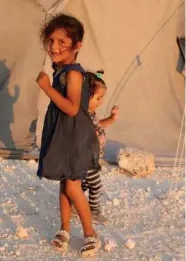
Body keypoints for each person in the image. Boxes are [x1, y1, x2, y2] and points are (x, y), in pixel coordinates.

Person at [36, 13, 101, 257]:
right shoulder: (62, 69)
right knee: (65, 182)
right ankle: (64, 228)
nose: (54, 47)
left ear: (77, 46)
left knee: (73, 186)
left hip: (74, 135)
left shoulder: (73, 73)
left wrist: (47, 88)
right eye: (51, 40)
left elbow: (72, 108)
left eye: (62, 42)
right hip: (64, 133)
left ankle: (90, 233)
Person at [71, 70, 119, 225]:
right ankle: (93, 211)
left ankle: (73, 205)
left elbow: (100, 125)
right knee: (96, 185)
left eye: (102, 98)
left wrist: (112, 118)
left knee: (84, 183)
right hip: (86, 159)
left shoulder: (91, 114)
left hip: (93, 158)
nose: (101, 102)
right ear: (85, 96)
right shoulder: (81, 115)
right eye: (98, 98)